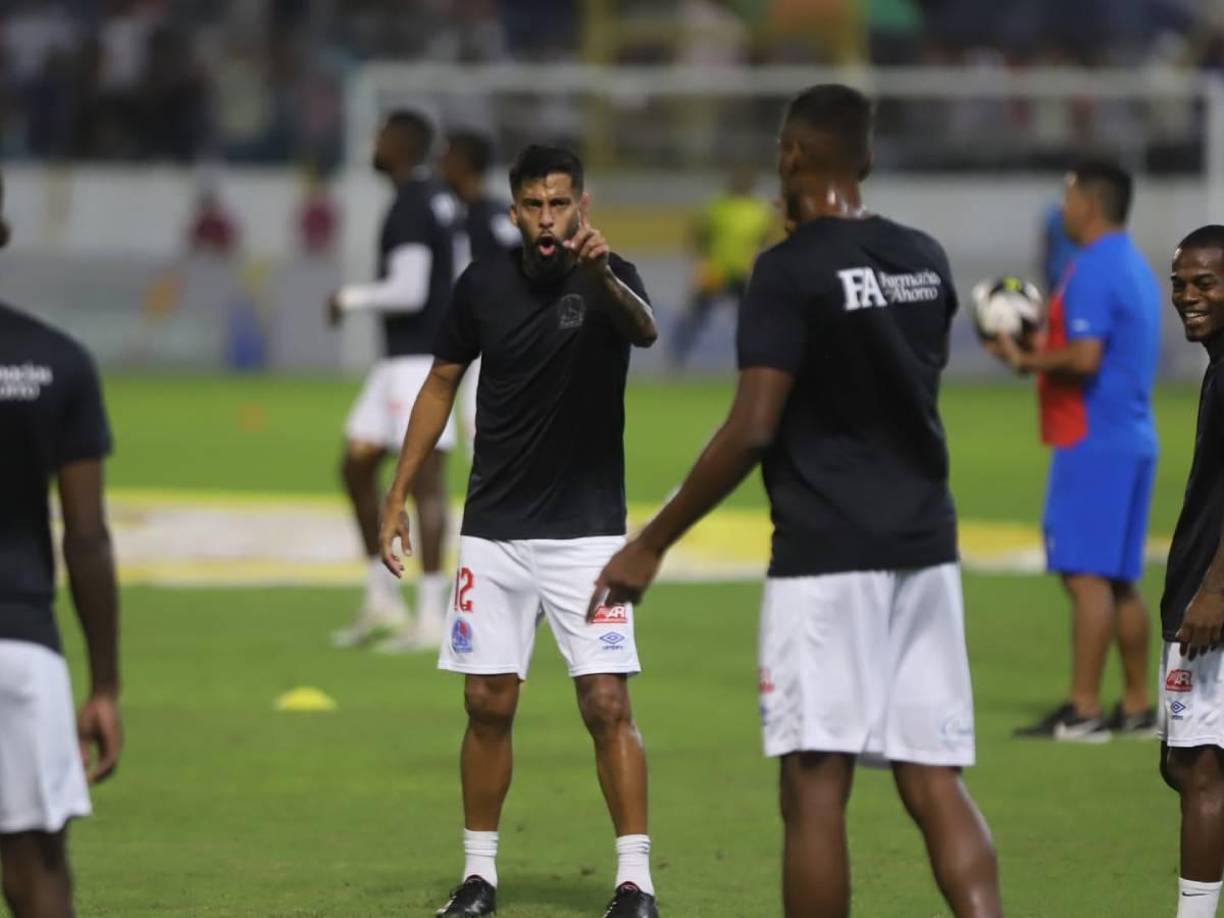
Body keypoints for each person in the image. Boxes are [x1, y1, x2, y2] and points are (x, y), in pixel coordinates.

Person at [592, 84, 1001, 918]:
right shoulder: (926, 258)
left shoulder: (786, 273)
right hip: (926, 548)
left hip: (826, 558)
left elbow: (752, 428)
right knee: (933, 778)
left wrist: (653, 541)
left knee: (815, 790)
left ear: (790, 158)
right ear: (869, 161)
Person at [377, 145, 660, 917]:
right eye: (533, 205)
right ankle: (478, 877)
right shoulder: (483, 284)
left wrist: (600, 275)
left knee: (606, 704)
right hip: (495, 530)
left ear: (582, 207)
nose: (547, 218)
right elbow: (441, 380)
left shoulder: (611, 275)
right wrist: (398, 489)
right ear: (513, 213)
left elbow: (646, 332)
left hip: (587, 534)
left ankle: (635, 883)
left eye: (559, 204)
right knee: (486, 703)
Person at [988, 162, 1160, 740]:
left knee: (1084, 577)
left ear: (1088, 203)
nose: (1061, 206)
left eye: (1066, 195)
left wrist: (1024, 360)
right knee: (1117, 579)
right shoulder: (1132, 264)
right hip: (1131, 433)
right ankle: (1138, 705)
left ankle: (1082, 710)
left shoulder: (1089, 269)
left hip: (1092, 438)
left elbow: (1085, 359)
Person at [0, 170, 123, 917]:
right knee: (37, 873)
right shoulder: (56, 360)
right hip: (19, 644)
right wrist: (104, 684)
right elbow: (86, 537)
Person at [327, 110, 458, 652]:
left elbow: (409, 289)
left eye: (380, 135)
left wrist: (348, 298)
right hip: (398, 362)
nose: (374, 144)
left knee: (425, 482)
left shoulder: (411, 205)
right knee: (357, 462)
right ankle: (382, 600)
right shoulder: (436, 200)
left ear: (401, 144)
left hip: (419, 362)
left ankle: (430, 617)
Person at [1158, 224, 1224, 918]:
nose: (1187, 296)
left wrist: (1213, 588)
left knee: (1197, 763)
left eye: (1204, 282)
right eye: (1179, 282)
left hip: (1211, 609)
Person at [438, 128, 520, 451]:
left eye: (448, 156)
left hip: (495, 338)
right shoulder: (448, 215)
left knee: (485, 430)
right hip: (464, 336)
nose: (440, 163)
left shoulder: (496, 216)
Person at [667, 165, 773, 369]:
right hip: (715, 271)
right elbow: (697, 235)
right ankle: (675, 358)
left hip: (742, 272)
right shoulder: (717, 206)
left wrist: (756, 262)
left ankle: (755, 360)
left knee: (750, 319)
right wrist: (702, 262)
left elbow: (763, 239)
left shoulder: (759, 209)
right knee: (696, 316)